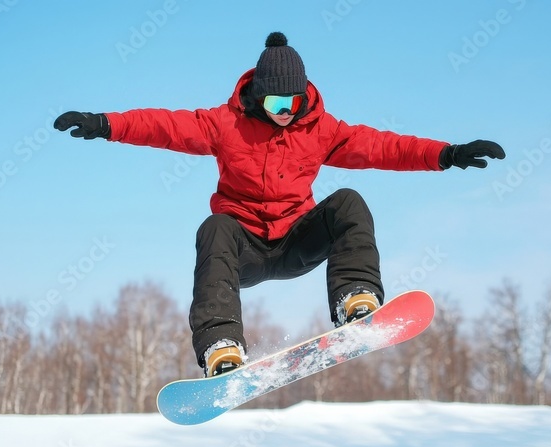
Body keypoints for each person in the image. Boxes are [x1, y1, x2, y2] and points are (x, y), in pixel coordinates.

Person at [54, 32, 504, 378]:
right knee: (215, 227)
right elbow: (164, 126)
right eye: (274, 102)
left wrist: (445, 154)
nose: (285, 110)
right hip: (244, 247)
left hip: (294, 242)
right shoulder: (223, 124)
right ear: (257, 96)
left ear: (304, 96)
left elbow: (381, 147)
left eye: (293, 101)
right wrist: (105, 124)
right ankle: (222, 347)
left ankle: (356, 299)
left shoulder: (321, 129)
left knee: (348, 202)